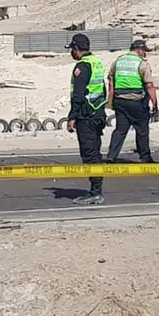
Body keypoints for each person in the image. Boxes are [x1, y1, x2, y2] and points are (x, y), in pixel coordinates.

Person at [65, 33, 108, 205]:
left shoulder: (82, 66)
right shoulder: (96, 62)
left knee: (89, 154)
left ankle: (95, 192)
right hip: (98, 113)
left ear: (76, 49)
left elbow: (78, 94)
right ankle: (96, 188)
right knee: (95, 152)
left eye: (72, 49)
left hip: (86, 115)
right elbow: (102, 89)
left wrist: (72, 116)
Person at [105, 39, 158, 163]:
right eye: (144, 51)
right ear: (139, 50)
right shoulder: (142, 64)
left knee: (120, 130)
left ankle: (111, 156)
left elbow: (111, 81)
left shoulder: (118, 61)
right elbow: (149, 85)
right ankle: (145, 157)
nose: (145, 54)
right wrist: (154, 103)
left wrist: (110, 100)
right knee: (142, 130)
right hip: (136, 101)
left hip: (120, 101)